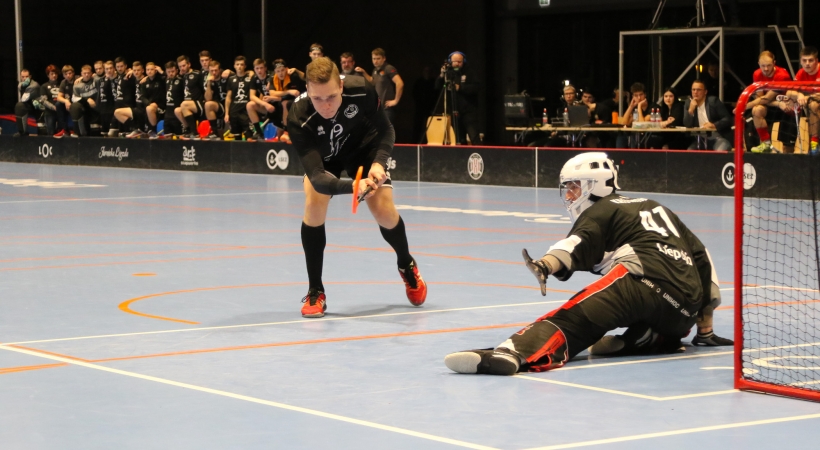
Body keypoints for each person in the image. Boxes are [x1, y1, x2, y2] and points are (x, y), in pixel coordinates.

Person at [444, 152, 732, 375]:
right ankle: (650, 337)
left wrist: (545, 265)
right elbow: (703, 259)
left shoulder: (602, 209)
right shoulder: (656, 206)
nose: (569, 195)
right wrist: (704, 330)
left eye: (573, 187)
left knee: (573, 318)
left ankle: (513, 352)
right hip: (684, 312)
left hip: (643, 280)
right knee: (655, 315)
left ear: (594, 186)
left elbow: (575, 244)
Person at [286, 57, 427, 318]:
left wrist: (379, 163)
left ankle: (406, 264)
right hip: (325, 160)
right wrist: (354, 185)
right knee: (314, 203)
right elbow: (317, 177)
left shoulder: (361, 89)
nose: (326, 106)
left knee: (383, 210)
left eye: (331, 97)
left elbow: (386, 130)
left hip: (364, 149)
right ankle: (316, 291)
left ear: (341, 86)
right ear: (307, 91)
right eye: (317, 99)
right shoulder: (298, 116)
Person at [742, 51, 793, 153]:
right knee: (756, 110)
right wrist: (777, 103)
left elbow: (766, 98)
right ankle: (766, 143)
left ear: (774, 63)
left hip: (787, 108)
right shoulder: (757, 74)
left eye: (769, 65)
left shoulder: (782, 75)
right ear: (758, 64)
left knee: (787, 147)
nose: (765, 69)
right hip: (774, 105)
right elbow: (761, 99)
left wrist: (744, 106)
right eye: (763, 66)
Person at [778, 46, 820, 153]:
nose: (807, 64)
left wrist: (807, 97)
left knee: (813, 105)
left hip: (814, 104)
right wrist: (799, 95)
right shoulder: (801, 73)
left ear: (816, 61)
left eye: (810, 60)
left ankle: (814, 142)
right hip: (807, 105)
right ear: (800, 61)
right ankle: (786, 146)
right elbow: (789, 92)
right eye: (804, 60)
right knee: (789, 103)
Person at [434, 51, 481, 145]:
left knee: (474, 136)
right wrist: (442, 75)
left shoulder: (470, 72)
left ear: (464, 61)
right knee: (459, 138)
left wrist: (460, 88)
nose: (457, 64)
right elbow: (437, 87)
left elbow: (476, 87)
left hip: (469, 111)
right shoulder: (448, 73)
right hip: (454, 110)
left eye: (459, 61)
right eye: (454, 61)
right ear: (450, 61)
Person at [683, 80, 732, 150]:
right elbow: (687, 124)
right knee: (689, 152)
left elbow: (727, 119)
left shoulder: (713, 101)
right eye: (693, 89)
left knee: (720, 150)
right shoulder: (688, 103)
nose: (695, 92)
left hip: (717, 137)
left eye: (699, 90)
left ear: (705, 92)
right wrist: (690, 110)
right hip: (700, 139)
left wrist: (714, 125)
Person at [359, 48, 403, 124]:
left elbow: (400, 83)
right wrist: (363, 72)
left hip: (387, 108)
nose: (375, 61)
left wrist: (396, 101)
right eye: (374, 59)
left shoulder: (388, 68)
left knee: (385, 129)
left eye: (378, 58)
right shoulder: (375, 70)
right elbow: (373, 81)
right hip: (379, 108)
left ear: (384, 58)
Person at [270, 58, 306, 143]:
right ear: (275, 71)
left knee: (285, 103)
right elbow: (272, 93)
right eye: (278, 71)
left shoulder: (293, 76)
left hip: (302, 98)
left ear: (286, 69)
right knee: (274, 106)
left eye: (282, 70)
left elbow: (299, 91)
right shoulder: (274, 78)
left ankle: (287, 132)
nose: (281, 73)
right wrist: (288, 91)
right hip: (287, 98)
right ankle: (279, 134)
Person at [176, 53, 208, 140]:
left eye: (184, 65)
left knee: (184, 104)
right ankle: (188, 130)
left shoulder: (197, 74)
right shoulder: (182, 76)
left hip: (199, 104)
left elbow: (204, 88)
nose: (182, 68)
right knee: (177, 111)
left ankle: (194, 133)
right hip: (188, 106)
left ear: (189, 64)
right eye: (180, 66)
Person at [246, 58, 277, 141]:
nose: (259, 70)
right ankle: (259, 133)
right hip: (266, 105)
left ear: (265, 68)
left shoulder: (272, 75)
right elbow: (252, 96)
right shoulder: (254, 78)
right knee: (250, 105)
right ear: (254, 69)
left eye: (261, 68)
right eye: (257, 68)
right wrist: (265, 104)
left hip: (277, 104)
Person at [224, 56, 253, 140]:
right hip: (234, 111)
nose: (239, 66)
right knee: (237, 138)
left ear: (245, 66)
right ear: (234, 66)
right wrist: (226, 113)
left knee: (249, 137)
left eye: (241, 64)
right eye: (237, 64)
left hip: (246, 111)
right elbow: (228, 97)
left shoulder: (250, 77)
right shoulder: (231, 79)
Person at [108, 57, 137, 137]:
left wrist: (133, 71)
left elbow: (139, 77)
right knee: (112, 134)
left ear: (126, 66)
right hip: (118, 108)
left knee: (128, 133)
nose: (120, 68)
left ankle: (135, 128)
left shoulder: (130, 75)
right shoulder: (118, 76)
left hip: (127, 107)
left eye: (121, 66)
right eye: (118, 67)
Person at [68, 65, 100, 136]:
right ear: (81, 74)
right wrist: (87, 99)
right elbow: (74, 98)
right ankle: (77, 132)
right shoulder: (77, 85)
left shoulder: (96, 80)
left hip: (97, 104)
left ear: (91, 73)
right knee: (74, 106)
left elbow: (104, 74)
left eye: (88, 73)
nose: (86, 75)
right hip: (85, 106)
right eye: (84, 73)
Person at [202, 59, 229, 140]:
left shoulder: (226, 77)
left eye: (216, 70)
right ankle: (214, 132)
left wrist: (230, 71)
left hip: (230, 105)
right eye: (211, 71)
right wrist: (208, 84)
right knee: (208, 104)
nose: (214, 73)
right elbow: (208, 98)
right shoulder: (210, 81)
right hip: (218, 106)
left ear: (220, 70)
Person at [617, 83, 650, 148]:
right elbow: (623, 123)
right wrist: (631, 106)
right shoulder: (634, 108)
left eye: (641, 95)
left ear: (645, 95)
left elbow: (641, 125)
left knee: (634, 137)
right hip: (634, 134)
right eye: (636, 95)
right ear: (633, 97)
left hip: (648, 135)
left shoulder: (652, 107)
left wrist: (639, 106)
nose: (639, 98)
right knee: (621, 137)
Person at [13, 69, 41, 137]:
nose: (25, 78)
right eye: (23, 77)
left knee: (43, 131)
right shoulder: (21, 84)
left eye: (27, 76)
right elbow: (20, 87)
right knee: (19, 106)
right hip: (28, 103)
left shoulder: (34, 85)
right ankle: (22, 132)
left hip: (38, 105)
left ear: (30, 76)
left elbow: (24, 99)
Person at [162, 61, 185, 138]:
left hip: (177, 114)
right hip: (167, 115)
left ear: (177, 70)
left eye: (172, 71)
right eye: (168, 72)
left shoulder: (181, 80)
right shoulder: (166, 80)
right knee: (167, 138)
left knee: (179, 138)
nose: (171, 73)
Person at [41, 65, 65, 137]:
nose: (54, 75)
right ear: (48, 75)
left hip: (61, 111)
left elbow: (66, 96)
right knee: (51, 133)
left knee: (62, 132)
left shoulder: (62, 84)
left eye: (55, 73)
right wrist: (53, 107)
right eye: (52, 74)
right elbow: (44, 101)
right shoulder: (44, 86)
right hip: (50, 112)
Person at [56, 65, 76, 136]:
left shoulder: (78, 79)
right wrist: (66, 101)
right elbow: (59, 97)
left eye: (70, 73)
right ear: (63, 75)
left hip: (77, 102)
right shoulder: (63, 82)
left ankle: (73, 129)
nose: (68, 75)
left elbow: (89, 76)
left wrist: (80, 78)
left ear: (73, 73)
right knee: (58, 104)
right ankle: (64, 129)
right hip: (68, 102)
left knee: (75, 106)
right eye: (66, 74)